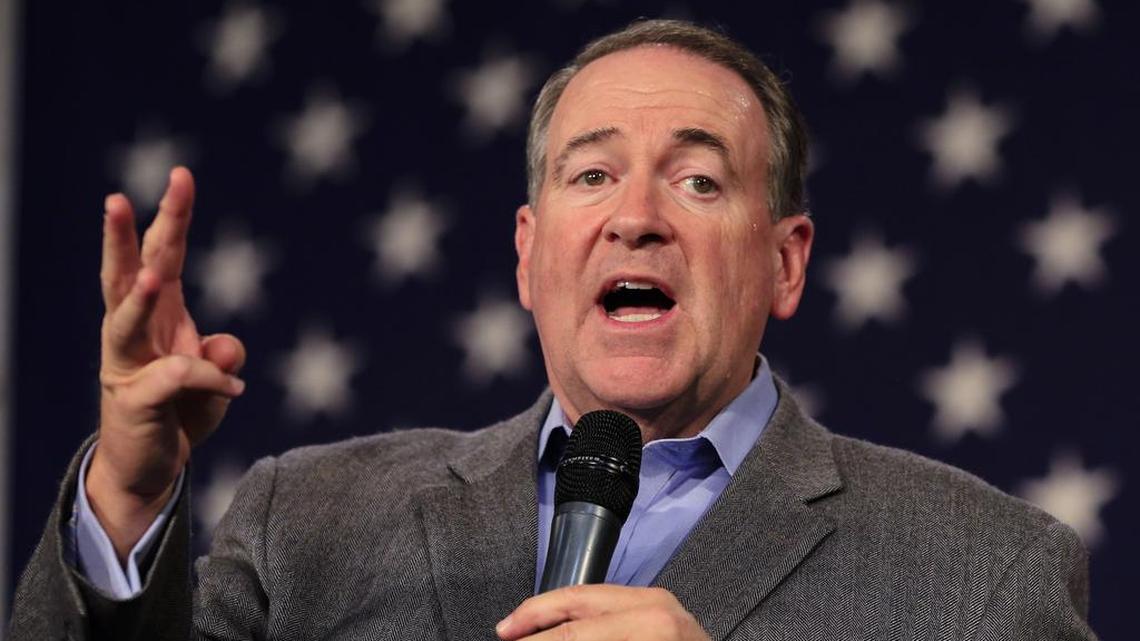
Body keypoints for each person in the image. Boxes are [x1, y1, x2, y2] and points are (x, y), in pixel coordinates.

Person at [10, 19, 1096, 640]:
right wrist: (130, 500)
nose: (635, 215)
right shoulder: (309, 522)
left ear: (785, 259)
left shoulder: (984, 571)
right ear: (528, 254)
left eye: (698, 179)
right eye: (592, 173)